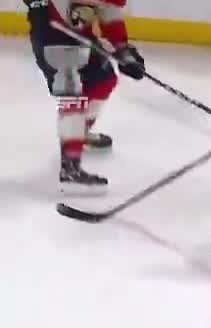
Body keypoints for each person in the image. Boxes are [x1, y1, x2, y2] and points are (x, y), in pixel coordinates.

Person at [24, 0, 145, 194]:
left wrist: (123, 49)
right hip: (52, 35)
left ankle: (79, 133)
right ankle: (70, 167)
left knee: (103, 80)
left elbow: (110, 11)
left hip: (79, 37)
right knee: (72, 92)